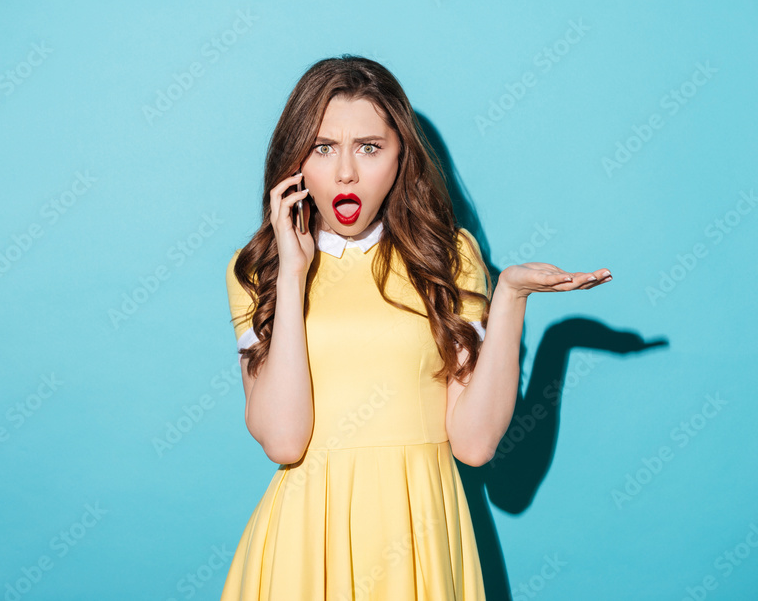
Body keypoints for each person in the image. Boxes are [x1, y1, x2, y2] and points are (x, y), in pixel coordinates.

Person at [219, 55, 610, 600]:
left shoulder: (451, 258)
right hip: (304, 550)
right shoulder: (257, 269)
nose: (346, 172)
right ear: (296, 163)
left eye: (370, 148)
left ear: (401, 158)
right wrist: (291, 272)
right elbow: (284, 440)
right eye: (323, 148)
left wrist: (511, 297)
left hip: (421, 536)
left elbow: (473, 444)